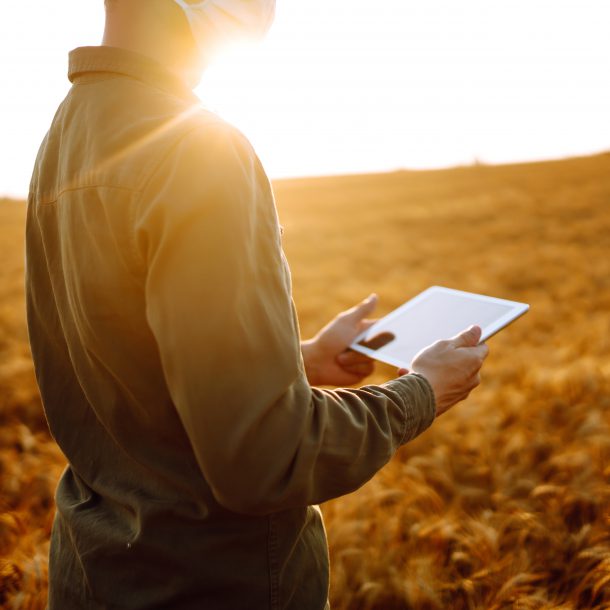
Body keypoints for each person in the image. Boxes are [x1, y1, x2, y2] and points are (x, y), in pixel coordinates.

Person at [25, 1, 489, 608]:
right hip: (212, 581)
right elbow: (266, 458)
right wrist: (420, 391)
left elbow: (124, 360)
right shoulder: (197, 148)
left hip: (95, 572)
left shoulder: (67, 132)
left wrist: (298, 360)